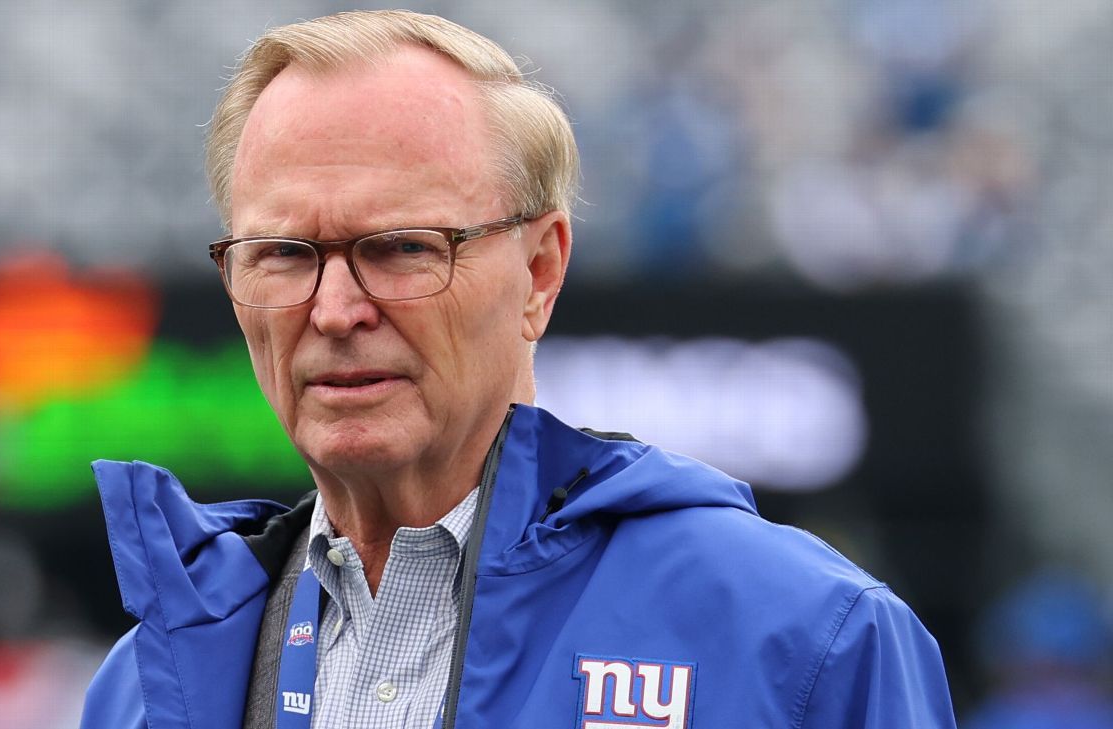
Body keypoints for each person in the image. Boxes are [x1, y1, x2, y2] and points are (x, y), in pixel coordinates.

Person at [80, 10, 958, 729]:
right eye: (281, 252)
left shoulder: (805, 639)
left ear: (540, 272)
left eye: (401, 247)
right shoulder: (144, 688)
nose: (336, 309)